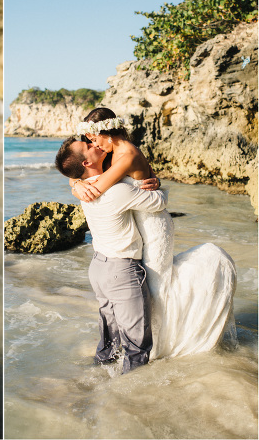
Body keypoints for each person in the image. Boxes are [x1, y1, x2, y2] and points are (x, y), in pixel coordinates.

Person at [69, 108, 237, 359]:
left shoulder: (126, 153)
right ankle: (148, 344)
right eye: (90, 140)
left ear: (107, 132)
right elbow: (87, 171)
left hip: (153, 224)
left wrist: (79, 185)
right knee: (145, 290)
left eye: (94, 137)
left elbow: (100, 186)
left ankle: (162, 345)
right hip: (138, 218)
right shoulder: (112, 151)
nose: (92, 143)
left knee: (156, 288)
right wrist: (74, 182)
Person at [56, 136, 167, 372]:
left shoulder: (84, 189)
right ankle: (128, 399)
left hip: (98, 268)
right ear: (86, 163)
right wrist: (156, 183)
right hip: (122, 271)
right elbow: (159, 203)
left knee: (110, 339)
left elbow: (76, 179)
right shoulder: (117, 191)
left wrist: (75, 183)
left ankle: (95, 383)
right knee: (137, 346)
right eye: (88, 146)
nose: (94, 144)